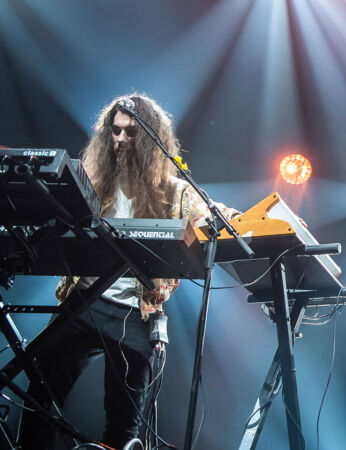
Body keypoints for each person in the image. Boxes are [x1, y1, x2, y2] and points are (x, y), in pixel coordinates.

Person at [18, 94, 240, 449]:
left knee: (124, 425)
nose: (120, 139)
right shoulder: (91, 179)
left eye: (131, 132)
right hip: (83, 303)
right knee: (39, 396)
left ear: (152, 139)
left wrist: (265, 222)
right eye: (115, 131)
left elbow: (215, 215)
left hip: (136, 314)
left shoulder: (175, 192)